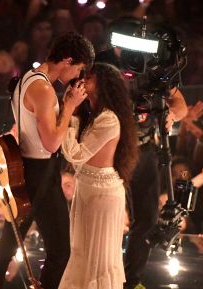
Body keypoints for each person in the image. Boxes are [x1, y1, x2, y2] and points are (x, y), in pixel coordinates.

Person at [0, 31, 95, 289]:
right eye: (78, 68)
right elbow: (51, 142)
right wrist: (69, 105)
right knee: (60, 251)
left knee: (9, 242)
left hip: (24, 167)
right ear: (67, 60)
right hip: (40, 171)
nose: (78, 76)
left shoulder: (26, 79)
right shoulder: (43, 89)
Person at [96, 17, 188, 289]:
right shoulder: (99, 65)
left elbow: (180, 103)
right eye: (121, 47)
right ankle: (102, 275)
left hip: (144, 148)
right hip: (107, 150)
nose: (128, 54)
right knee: (108, 215)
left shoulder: (154, 63)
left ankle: (131, 279)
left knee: (147, 218)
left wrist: (171, 115)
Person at [58, 62, 139, 289]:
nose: (82, 82)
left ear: (104, 85)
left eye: (89, 78)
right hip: (86, 188)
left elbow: (76, 154)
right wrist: (72, 112)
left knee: (99, 260)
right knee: (81, 252)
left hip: (102, 194)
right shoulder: (92, 115)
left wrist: (67, 111)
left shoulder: (109, 119)